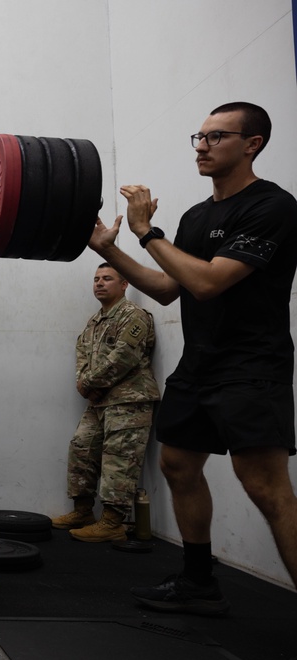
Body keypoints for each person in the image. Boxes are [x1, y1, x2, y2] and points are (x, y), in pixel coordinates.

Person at [89, 102, 297, 615]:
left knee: (265, 488)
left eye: (216, 137)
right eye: (198, 137)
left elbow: (206, 283)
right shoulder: (197, 216)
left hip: (252, 365)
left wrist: (146, 232)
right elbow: (167, 288)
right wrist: (109, 249)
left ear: (253, 144)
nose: (201, 146)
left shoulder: (272, 206)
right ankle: (199, 581)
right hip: (200, 364)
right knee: (179, 464)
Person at [51, 263, 160, 542]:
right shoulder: (94, 321)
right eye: (96, 278)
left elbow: (124, 357)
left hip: (129, 402)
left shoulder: (133, 316)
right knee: (81, 448)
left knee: (119, 458)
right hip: (99, 402)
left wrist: (89, 384)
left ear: (124, 285)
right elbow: (82, 355)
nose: (99, 283)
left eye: (107, 278)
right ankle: (83, 511)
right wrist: (85, 383)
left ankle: (112, 522)